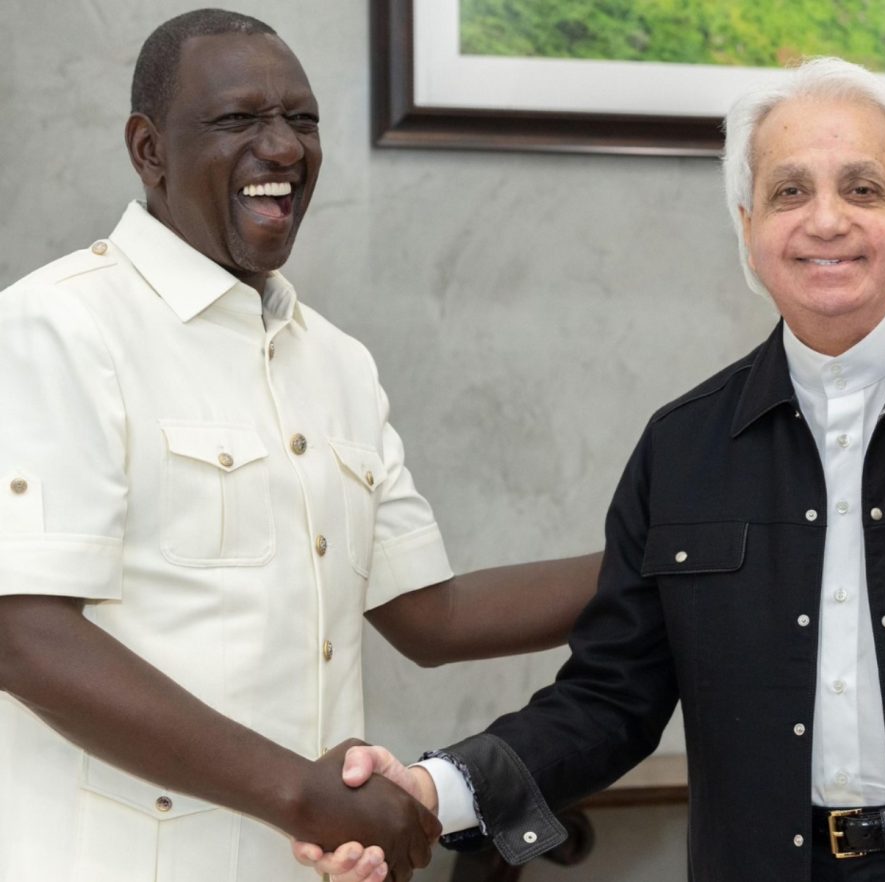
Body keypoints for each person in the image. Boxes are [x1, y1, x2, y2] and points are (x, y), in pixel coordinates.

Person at [306, 57, 885, 881]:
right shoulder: (683, 448)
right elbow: (610, 698)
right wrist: (432, 791)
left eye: (862, 189)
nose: (826, 221)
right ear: (749, 229)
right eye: (790, 192)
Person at [0, 9, 599, 882]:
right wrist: (300, 792)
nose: (282, 148)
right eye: (238, 121)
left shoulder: (338, 362)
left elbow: (431, 617)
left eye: (302, 121)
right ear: (149, 149)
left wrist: (672, 551)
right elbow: (25, 636)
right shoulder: (55, 326)